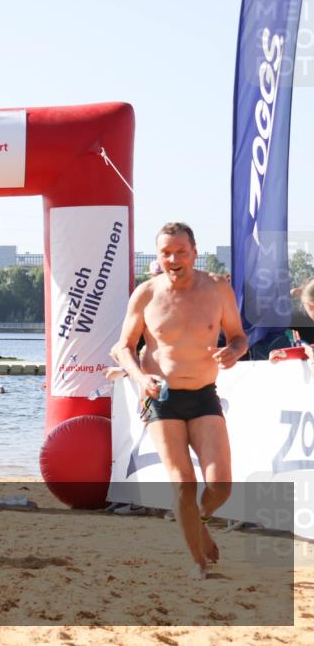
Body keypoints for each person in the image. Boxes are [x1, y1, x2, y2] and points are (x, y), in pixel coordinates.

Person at [111, 222, 248, 580]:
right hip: (162, 397)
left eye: (180, 252)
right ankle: (198, 563)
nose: (173, 259)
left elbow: (238, 337)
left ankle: (198, 521)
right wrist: (140, 378)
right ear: (158, 256)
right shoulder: (145, 294)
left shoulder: (218, 288)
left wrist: (233, 352)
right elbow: (122, 347)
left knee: (220, 487)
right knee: (184, 483)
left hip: (204, 394)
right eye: (165, 253)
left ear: (194, 252)